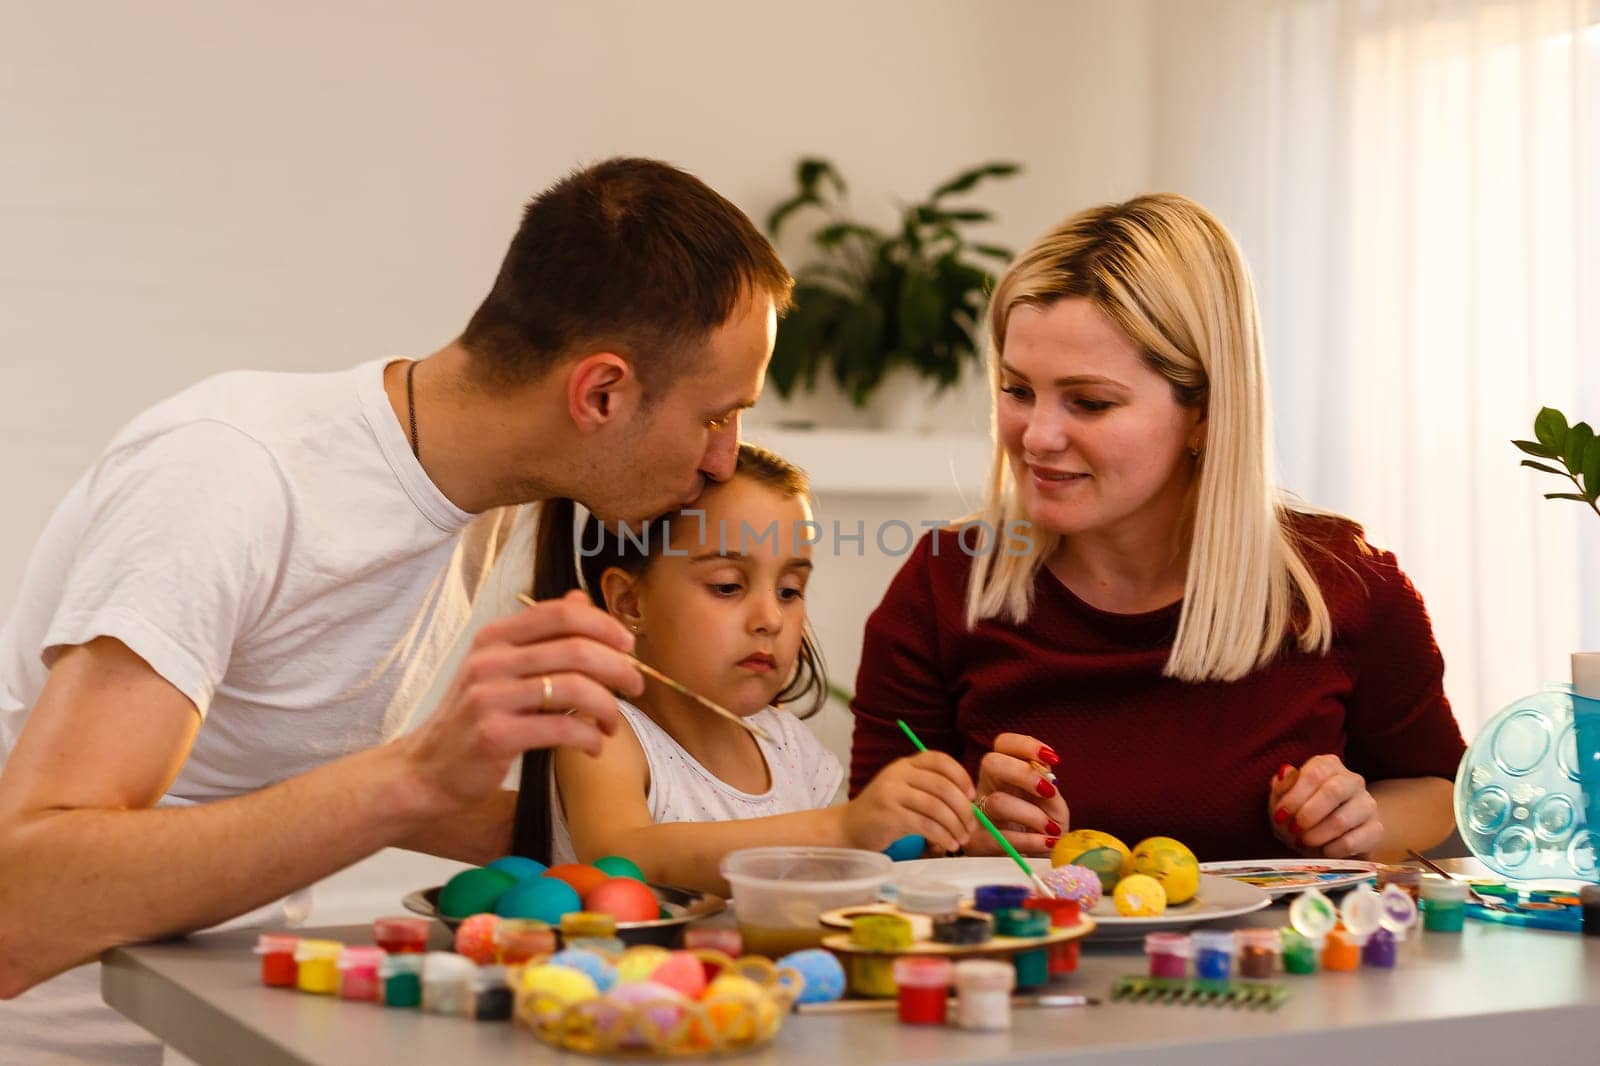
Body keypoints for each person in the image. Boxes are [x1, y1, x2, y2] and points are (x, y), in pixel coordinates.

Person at [0, 157, 791, 1062]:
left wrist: (752, 853)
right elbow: (20, 907)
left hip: (224, 1024)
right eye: (718, 417)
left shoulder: (493, 495)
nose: (726, 460)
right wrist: (409, 775)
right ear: (601, 393)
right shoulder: (228, 474)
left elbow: (262, 785)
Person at [850, 194, 1465, 865]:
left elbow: (1440, 792)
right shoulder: (946, 581)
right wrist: (963, 833)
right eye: (1017, 389)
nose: (1038, 435)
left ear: (1204, 412)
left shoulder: (1346, 585)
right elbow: (872, 845)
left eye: (1089, 401)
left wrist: (1361, 821)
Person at [522, 443, 976, 895]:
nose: (771, 619)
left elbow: (831, 885)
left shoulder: (790, 748)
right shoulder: (602, 735)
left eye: (789, 591)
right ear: (629, 602)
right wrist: (839, 832)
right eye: (727, 586)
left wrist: (939, 831)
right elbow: (626, 859)